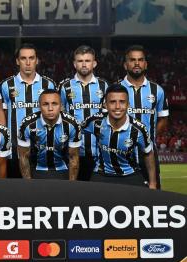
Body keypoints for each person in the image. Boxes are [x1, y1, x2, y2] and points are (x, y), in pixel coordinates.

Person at [82, 84, 157, 189]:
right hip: (101, 174)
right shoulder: (95, 122)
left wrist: (153, 183)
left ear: (128, 105)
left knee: (142, 201)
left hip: (130, 175)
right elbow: (74, 130)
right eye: (112, 102)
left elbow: (148, 154)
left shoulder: (139, 129)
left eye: (122, 102)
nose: (117, 107)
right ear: (105, 105)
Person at [1, 43, 56, 178]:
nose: (28, 62)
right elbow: (1, 116)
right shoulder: (6, 85)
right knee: (15, 194)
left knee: (41, 195)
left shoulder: (48, 84)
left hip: (41, 150)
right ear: (17, 61)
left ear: (37, 61)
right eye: (23, 58)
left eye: (31, 58)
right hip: (14, 151)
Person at [119, 45, 169, 189]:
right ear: (125, 64)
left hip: (148, 154)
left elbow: (163, 119)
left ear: (145, 64)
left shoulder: (157, 90)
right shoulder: (116, 89)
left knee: (153, 196)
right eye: (132, 60)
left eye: (140, 60)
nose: (136, 63)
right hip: (122, 152)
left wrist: (148, 137)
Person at [59, 45, 108, 181]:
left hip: (98, 151)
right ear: (75, 64)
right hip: (73, 151)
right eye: (80, 61)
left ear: (94, 63)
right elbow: (61, 116)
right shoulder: (65, 87)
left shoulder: (104, 86)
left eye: (87, 60)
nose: (84, 64)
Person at [18, 90, 81, 180]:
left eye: (54, 104)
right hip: (36, 169)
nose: (50, 108)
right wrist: (28, 184)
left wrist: (71, 185)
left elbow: (73, 157)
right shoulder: (27, 124)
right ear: (39, 106)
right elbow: (24, 157)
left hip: (63, 169)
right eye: (45, 104)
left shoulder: (73, 124)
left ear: (61, 106)